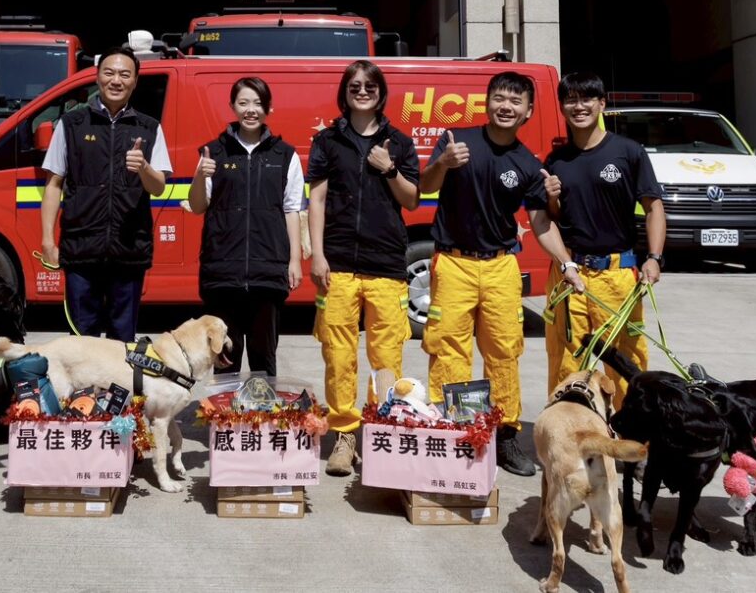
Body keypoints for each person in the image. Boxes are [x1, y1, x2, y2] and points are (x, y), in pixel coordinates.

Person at [419, 71, 579, 477]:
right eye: (499, 98)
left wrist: (565, 262)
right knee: (448, 350)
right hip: (453, 262)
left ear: (528, 111)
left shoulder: (527, 163)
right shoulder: (456, 140)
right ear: (486, 102)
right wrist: (442, 162)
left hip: (501, 266)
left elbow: (541, 222)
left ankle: (504, 435)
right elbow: (423, 187)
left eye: (515, 101)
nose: (506, 106)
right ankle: (456, 431)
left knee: (505, 351)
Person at [307, 59, 421, 476]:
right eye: (354, 85)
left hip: (386, 264)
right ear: (345, 91)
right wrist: (317, 254)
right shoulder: (327, 141)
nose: (362, 91)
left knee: (386, 356)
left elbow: (411, 199)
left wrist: (388, 167)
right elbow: (317, 200)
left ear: (381, 91)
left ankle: (379, 430)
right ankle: (345, 434)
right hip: (337, 264)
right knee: (338, 355)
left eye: (370, 85)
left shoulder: (399, 142)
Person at [542, 70, 666, 406]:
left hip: (617, 275)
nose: (578, 106)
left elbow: (653, 208)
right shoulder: (557, 160)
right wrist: (551, 198)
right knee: (567, 362)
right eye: (570, 99)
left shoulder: (628, 152)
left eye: (587, 98)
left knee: (625, 361)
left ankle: (630, 429)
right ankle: (571, 427)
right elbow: (553, 219)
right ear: (562, 106)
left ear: (602, 104)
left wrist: (654, 258)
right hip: (570, 276)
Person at [40, 48, 170, 341]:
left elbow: (158, 186)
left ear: (135, 81)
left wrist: (144, 167)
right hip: (81, 249)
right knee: (80, 340)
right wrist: (48, 239)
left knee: (122, 341)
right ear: (97, 77)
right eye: (109, 73)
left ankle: (118, 374)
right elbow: (54, 184)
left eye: (125, 74)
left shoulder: (149, 128)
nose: (116, 80)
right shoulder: (72, 124)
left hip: (129, 251)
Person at [187, 76, 305, 376]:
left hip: (268, 271)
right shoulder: (213, 151)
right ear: (232, 106)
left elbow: (292, 209)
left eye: (258, 103)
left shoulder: (285, 155)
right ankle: (223, 408)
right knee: (225, 356)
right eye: (243, 103)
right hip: (222, 271)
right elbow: (198, 205)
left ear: (268, 108)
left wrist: (294, 260)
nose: (250, 110)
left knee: (263, 356)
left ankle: (262, 407)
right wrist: (200, 176)